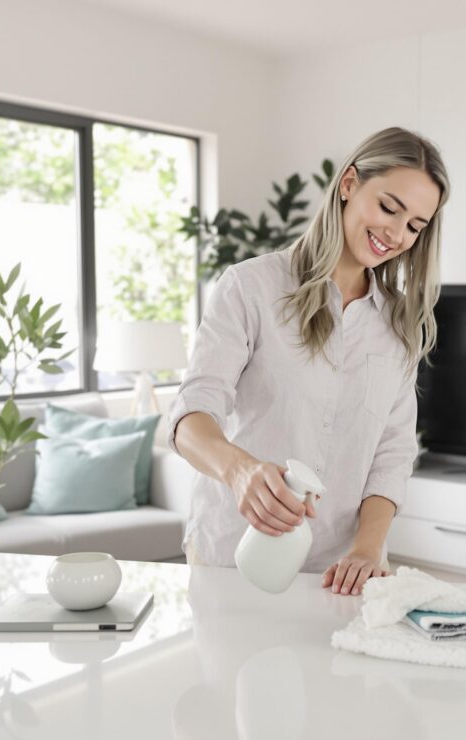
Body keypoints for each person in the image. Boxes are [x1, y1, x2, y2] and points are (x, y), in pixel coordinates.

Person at [169, 127, 450, 596]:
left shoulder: (400, 324)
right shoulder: (250, 288)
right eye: (388, 208)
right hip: (233, 559)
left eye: (415, 226)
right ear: (348, 184)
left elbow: (393, 453)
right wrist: (240, 472)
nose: (397, 234)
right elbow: (191, 416)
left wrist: (367, 549)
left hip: (341, 575)